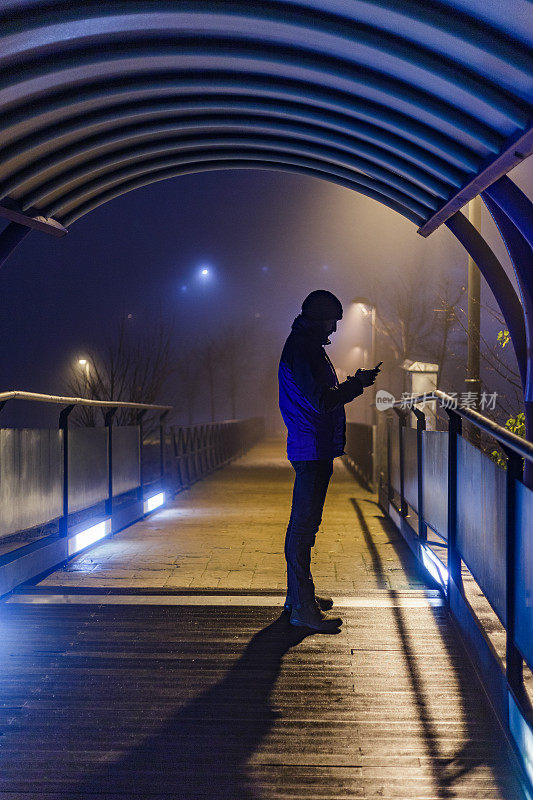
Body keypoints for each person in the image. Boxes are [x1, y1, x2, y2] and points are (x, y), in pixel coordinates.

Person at [278, 290, 381, 632]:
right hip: (312, 447)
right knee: (303, 528)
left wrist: (354, 383)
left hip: (312, 444)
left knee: (304, 527)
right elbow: (323, 401)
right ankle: (302, 607)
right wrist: (357, 384)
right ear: (319, 318)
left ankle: (299, 596)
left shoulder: (303, 346)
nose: (334, 329)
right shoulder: (304, 350)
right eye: (332, 322)